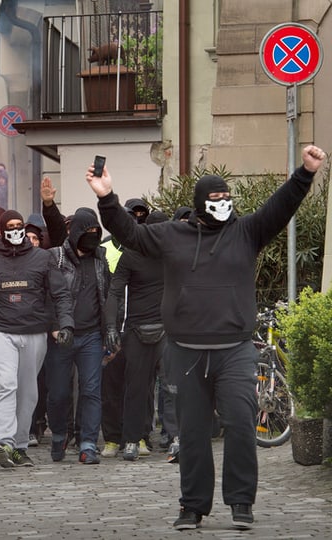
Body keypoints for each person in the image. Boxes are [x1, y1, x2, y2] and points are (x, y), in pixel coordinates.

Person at [86, 144, 327, 531]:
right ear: (200, 203)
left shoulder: (247, 232)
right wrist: (107, 198)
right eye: (215, 199)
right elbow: (130, 233)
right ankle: (192, 506)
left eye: (227, 198)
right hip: (185, 350)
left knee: (240, 425)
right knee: (193, 433)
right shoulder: (171, 236)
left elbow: (280, 208)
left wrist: (305, 172)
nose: (223, 203)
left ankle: (241, 502)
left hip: (235, 350)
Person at [0, 209, 73, 468]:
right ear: (0, 231)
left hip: (34, 331)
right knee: (5, 385)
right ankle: (3, 441)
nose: (15, 230)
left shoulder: (42, 258)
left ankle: (20, 446)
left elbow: (60, 293)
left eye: (19, 225)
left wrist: (66, 323)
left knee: (28, 391)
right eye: (9, 226)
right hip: (0, 331)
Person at [46, 209, 110, 465]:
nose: (92, 237)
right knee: (58, 393)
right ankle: (59, 435)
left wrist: (110, 331)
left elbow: (108, 297)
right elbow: (47, 294)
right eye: (87, 232)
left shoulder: (100, 260)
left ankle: (88, 444)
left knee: (92, 391)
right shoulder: (56, 258)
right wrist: (53, 324)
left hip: (92, 336)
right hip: (62, 335)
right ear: (75, 233)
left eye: (96, 232)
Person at [104, 211, 170, 462]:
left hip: (169, 328)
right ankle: (131, 439)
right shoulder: (130, 255)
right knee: (136, 388)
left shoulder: (175, 254)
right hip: (136, 328)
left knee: (173, 386)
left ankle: (176, 437)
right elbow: (115, 292)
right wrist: (111, 326)